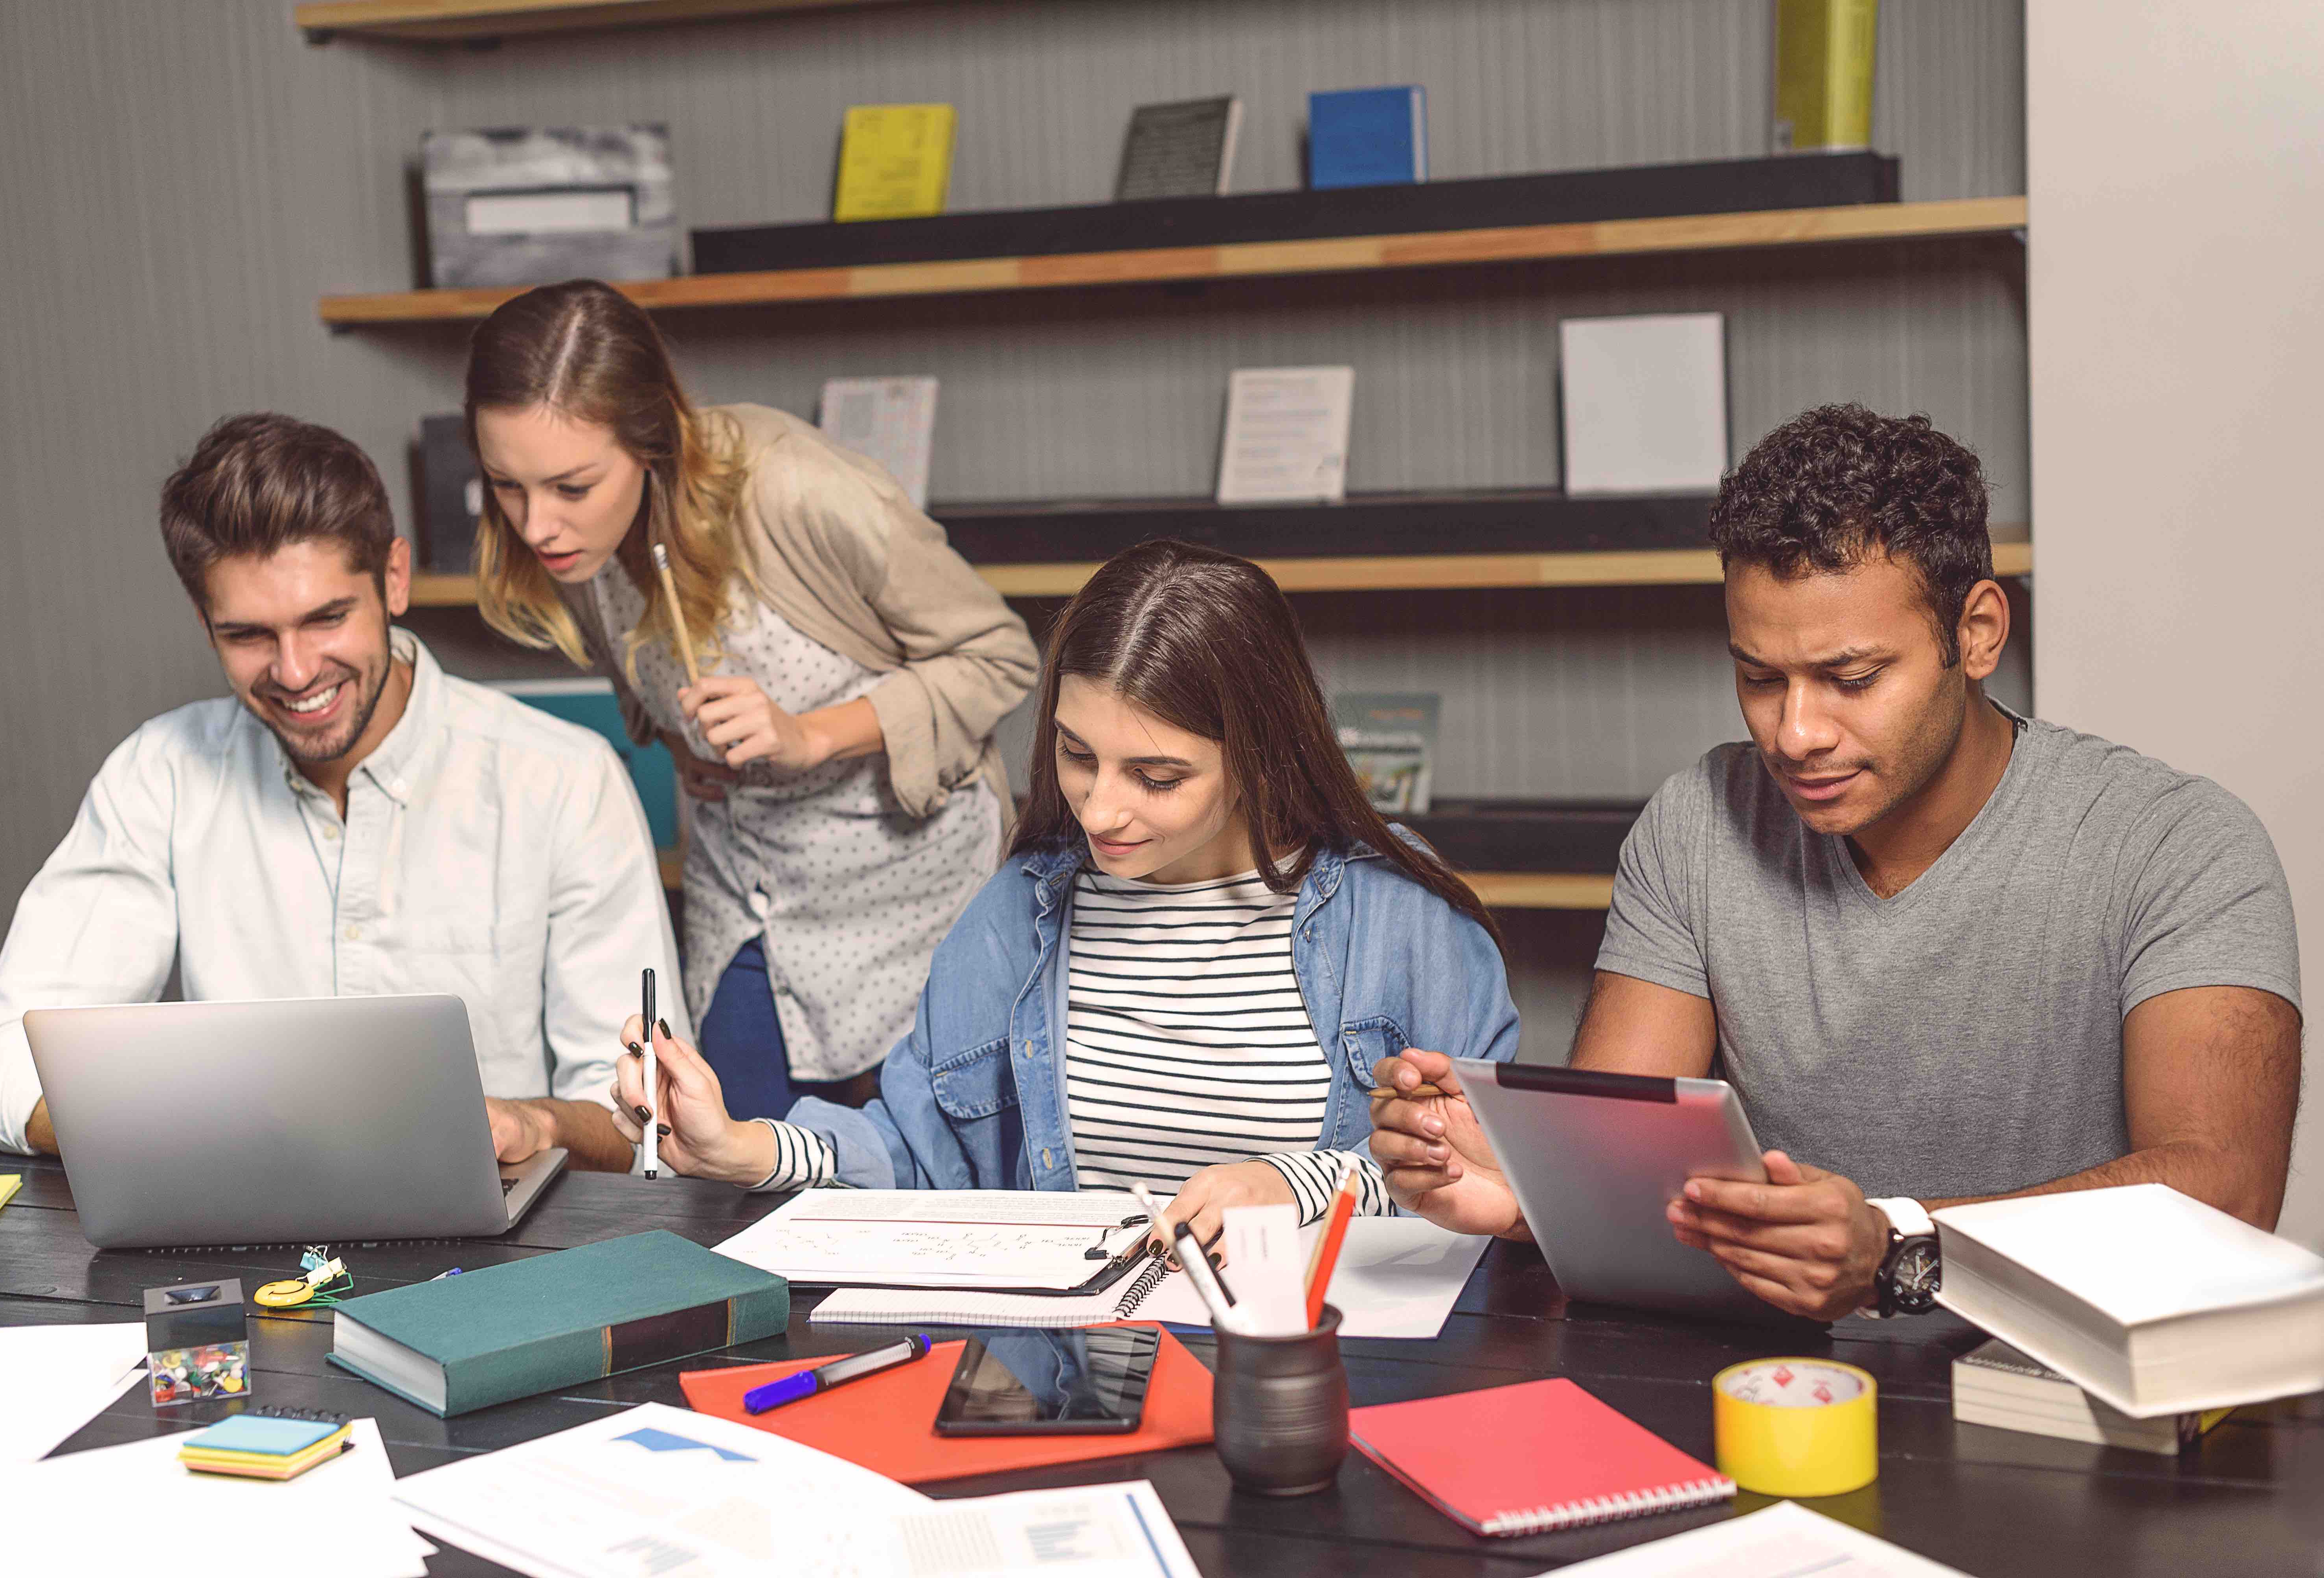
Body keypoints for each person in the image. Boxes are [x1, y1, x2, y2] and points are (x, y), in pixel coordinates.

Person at [1371, 405, 2302, 1321]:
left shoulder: (2177, 843)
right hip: (1776, 1380)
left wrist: (1896, 1245)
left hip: (2065, 1394)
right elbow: (1630, 1156)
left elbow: (2222, 1192)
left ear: (1975, 632)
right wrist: (1534, 1189)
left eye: (1851, 679)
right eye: (1758, 678)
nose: (1796, 733)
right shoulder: (1699, 821)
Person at [610, 540, 1520, 1246]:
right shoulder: (1023, 907)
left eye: (1156, 776)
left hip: (1332, 1356)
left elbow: (1495, 1171)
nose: (1100, 808)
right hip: (1083, 1354)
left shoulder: (1396, 914)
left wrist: (1300, 1184)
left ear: (1258, 754)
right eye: (1076, 754)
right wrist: (743, 1146)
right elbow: (921, 1148)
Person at [0, 414, 677, 1167]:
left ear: (394, 580)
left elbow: (645, 1120)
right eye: (249, 636)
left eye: (327, 618)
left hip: (509, 1257)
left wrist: (538, 1124)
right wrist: (191, 1128)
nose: (296, 672)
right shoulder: (159, 776)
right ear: (206, 626)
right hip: (237, 1246)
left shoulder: (564, 778)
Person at [465, 280, 1037, 1121]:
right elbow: (653, 682)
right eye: (506, 488)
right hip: (748, 898)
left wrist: (808, 736)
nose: (536, 525)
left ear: (652, 440)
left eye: (570, 488)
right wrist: (685, 748)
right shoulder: (573, 550)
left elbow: (999, 655)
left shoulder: (801, 487)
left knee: (917, 1187)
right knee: (732, 1180)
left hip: (911, 897)